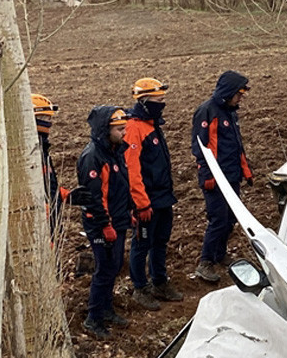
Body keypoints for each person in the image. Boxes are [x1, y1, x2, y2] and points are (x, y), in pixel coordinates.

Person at [124, 77, 183, 310]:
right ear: (145, 100)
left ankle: (160, 281)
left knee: (160, 241)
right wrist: (141, 203)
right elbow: (132, 169)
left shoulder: (152, 126)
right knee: (142, 243)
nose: (163, 104)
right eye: (159, 100)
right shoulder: (135, 128)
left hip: (162, 197)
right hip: (146, 201)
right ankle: (140, 288)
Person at [76, 106, 133, 339]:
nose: (124, 133)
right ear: (105, 129)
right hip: (101, 225)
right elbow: (94, 198)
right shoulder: (92, 158)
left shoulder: (115, 151)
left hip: (118, 221)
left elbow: (120, 186)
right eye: (120, 129)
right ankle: (93, 318)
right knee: (105, 269)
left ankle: (107, 309)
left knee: (115, 265)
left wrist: (127, 211)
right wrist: (105, 225)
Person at [191, 71, 253, 283]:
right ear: (229, 92)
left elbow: (237, 145)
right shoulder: (207, 112)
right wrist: (208, 175)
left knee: (231, 218)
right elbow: (201, 147)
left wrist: (245, 170)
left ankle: (219, 253)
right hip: (216, 179)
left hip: (232, 175)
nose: (241, 98)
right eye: (239, 93)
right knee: (218, 219)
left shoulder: (231, 113)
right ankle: (205, 262)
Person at [32, 93, 68, 235]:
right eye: (44, 118)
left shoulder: (42, 148)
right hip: (40, 224)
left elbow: (47, 183)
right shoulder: (30, 152)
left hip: (51, 219)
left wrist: (64, 195)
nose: (48, 122)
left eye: (49, 118)